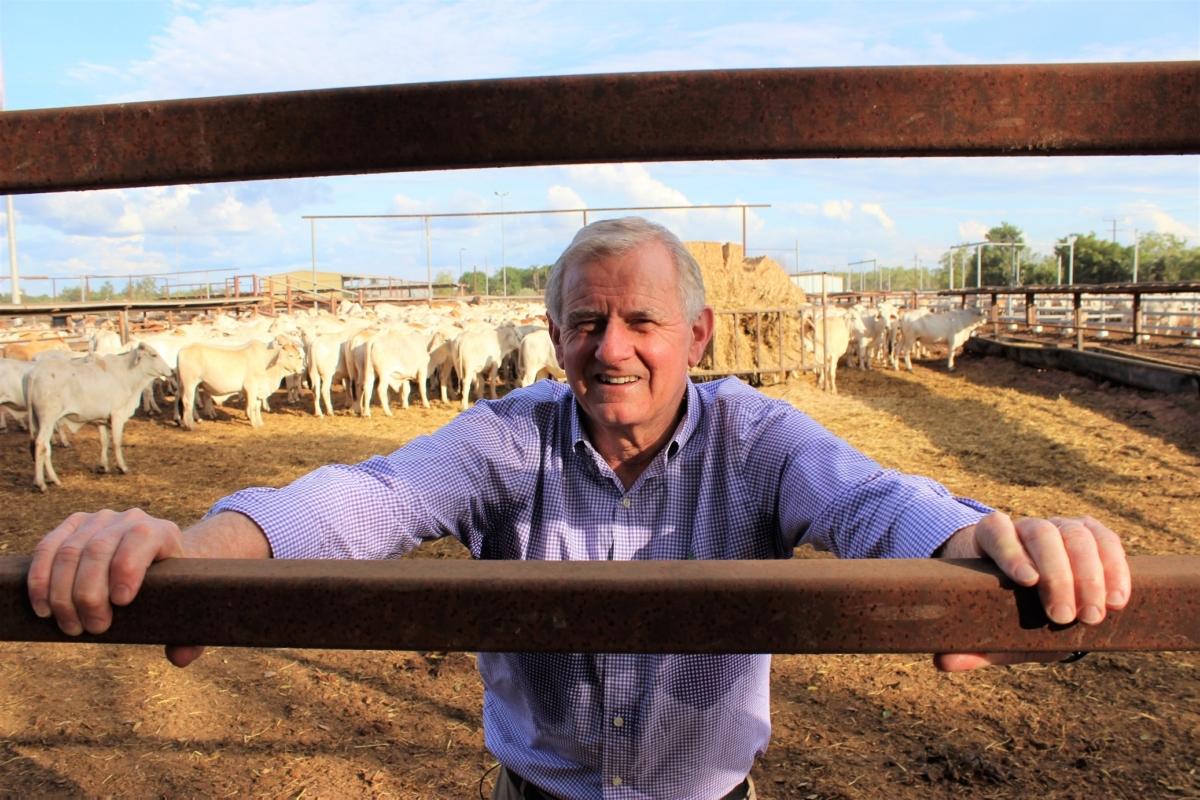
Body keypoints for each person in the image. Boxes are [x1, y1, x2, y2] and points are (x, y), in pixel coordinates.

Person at [28, 217, 1129, 800]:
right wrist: (199, 546)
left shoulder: (759, 435)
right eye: (585, 324)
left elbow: (872, 499)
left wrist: (977, 537)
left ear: (698, 338)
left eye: (643, 321)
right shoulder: (511, 434)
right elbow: (371, 496)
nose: (613, 350)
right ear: (552, 338)